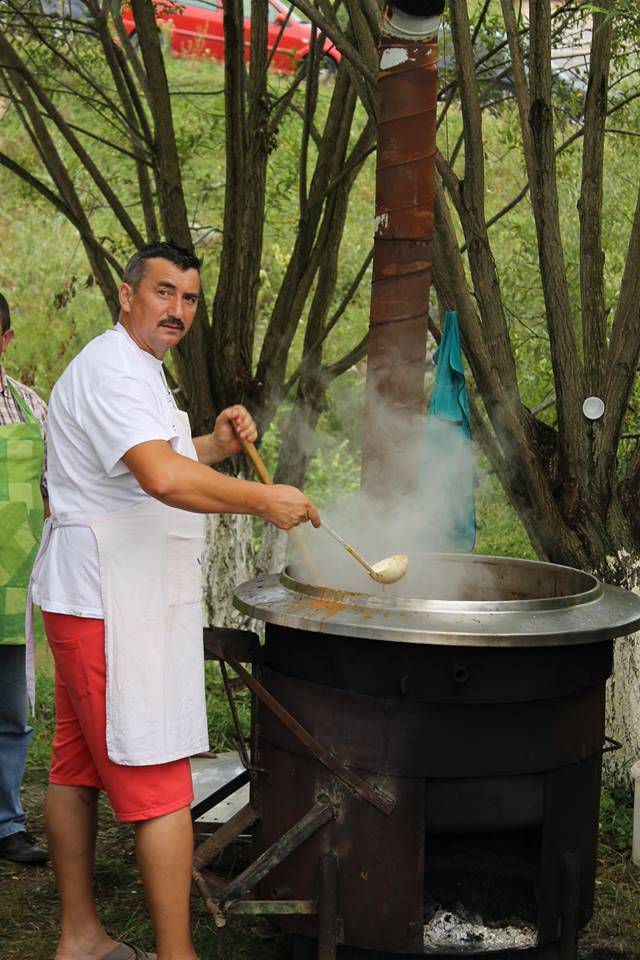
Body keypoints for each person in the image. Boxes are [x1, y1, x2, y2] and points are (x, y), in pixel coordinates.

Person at [28, 241, 320, 960]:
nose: (177, 310)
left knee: (75, 768)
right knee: (159, 783)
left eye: (188, 298)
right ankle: (175, 954)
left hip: (102, 599)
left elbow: (147, 460)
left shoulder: (137, 369)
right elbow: (159, 478)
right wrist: (262, 499)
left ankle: (81, 938)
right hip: (109, 604)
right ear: (127, 295)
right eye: (164, 292)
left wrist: (213, 447)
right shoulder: (110, 369)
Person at [0, 293, 49, 865]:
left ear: (6, 339)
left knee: (10, 715)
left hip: (12, 591)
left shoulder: (31, 406)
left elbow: (56, 490)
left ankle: (6, 823)